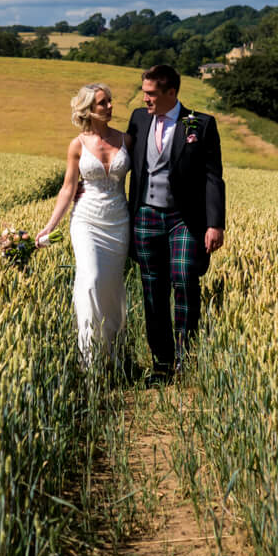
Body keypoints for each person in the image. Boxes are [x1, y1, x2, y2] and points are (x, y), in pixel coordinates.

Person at [125, 63, 225, 382]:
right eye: (144, 92)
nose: (145, 99)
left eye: (152, 93)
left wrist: (215, 223)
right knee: (152, 290)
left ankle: (185, 361)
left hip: (184, 218)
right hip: (145, 214)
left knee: (184, 280)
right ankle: (162, 365)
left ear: (172, 93)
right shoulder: (139, 120)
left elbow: (213, 177)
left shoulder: (200, 124)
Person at [35, 82, 131, 368]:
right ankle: (90, 361)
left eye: (111, 101)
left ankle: (113, 358)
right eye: (104, 103)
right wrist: (50, 226)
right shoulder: (77, 145)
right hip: (86, 220)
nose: (110, 106)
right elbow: (68, 188)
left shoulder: (127, 140)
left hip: (119, 221)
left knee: (111, 288)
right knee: (90, 281)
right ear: (89, 109)